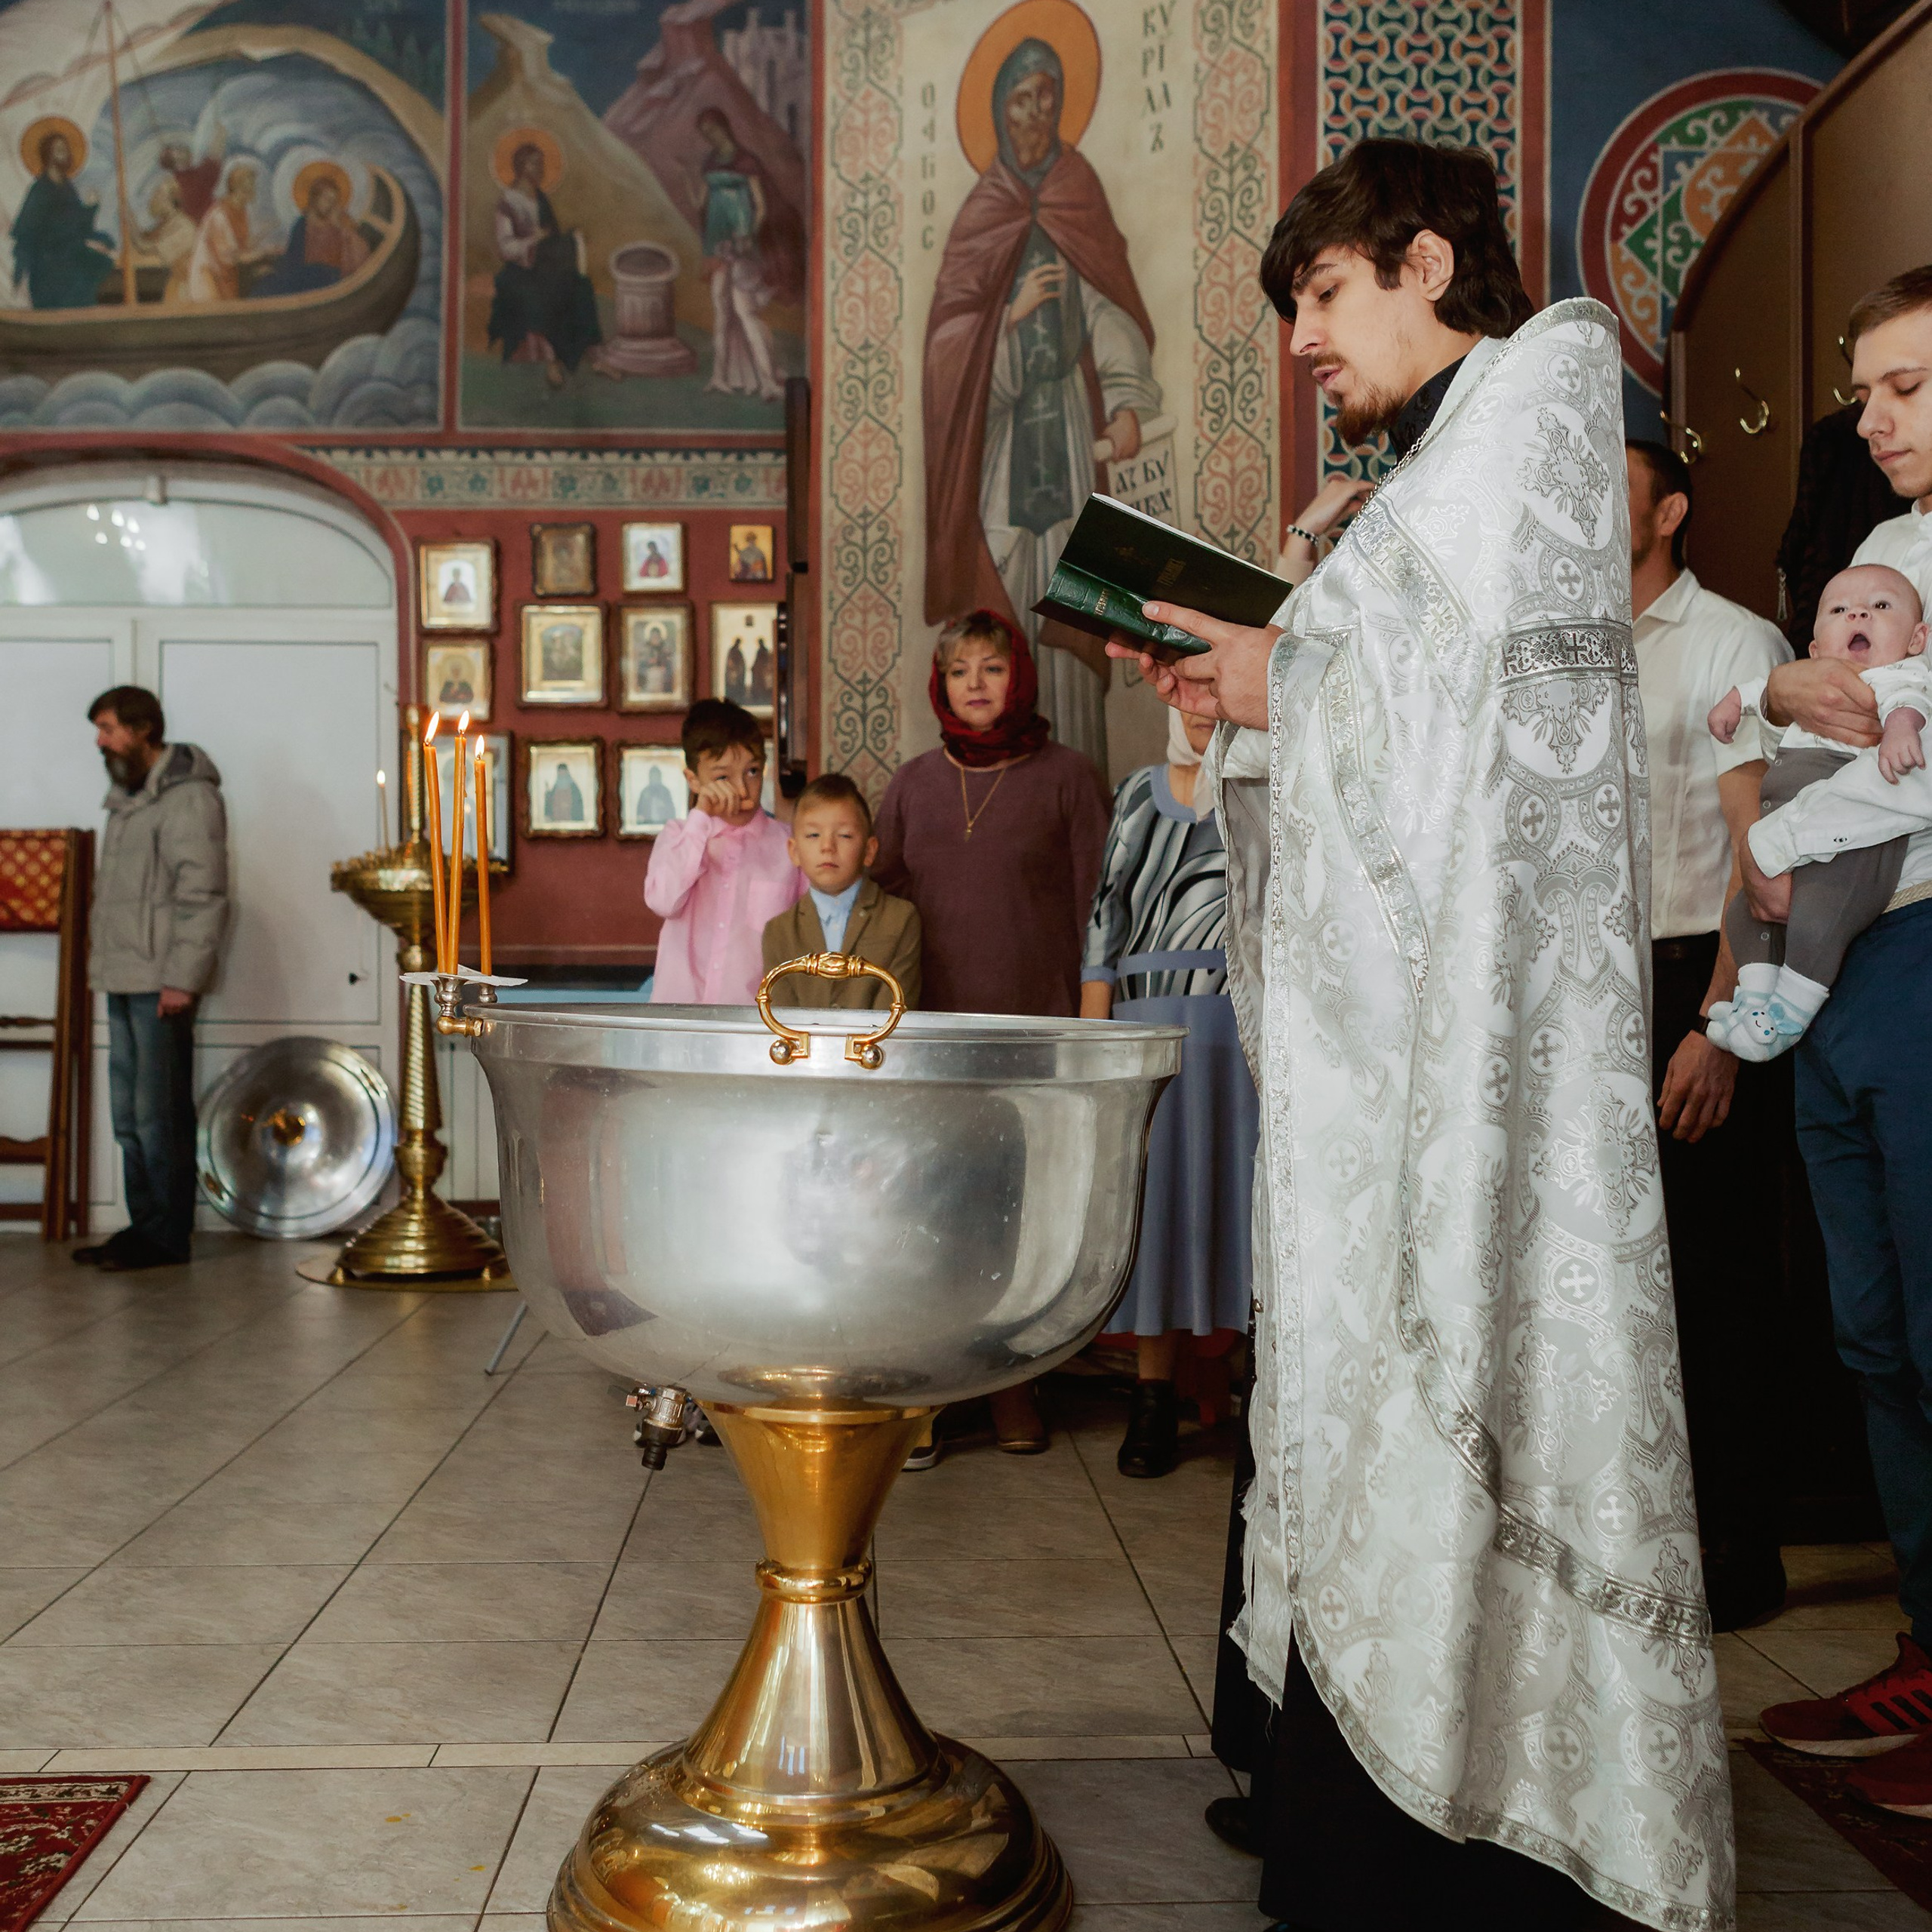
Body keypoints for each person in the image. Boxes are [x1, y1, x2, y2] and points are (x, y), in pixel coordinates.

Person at [1111, 139, 1730, 1930]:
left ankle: (1481, 1826)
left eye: (1319, 293)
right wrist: (1256, 687)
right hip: (1416, 1051)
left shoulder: (1528, 411)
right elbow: (1407, 707)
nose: (1301, 338)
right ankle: (1379, 1799)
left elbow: (1436, 705)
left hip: (1476, 1074)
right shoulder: (1450, 459)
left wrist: (1273, 673)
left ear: (1427, 258)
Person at [1741, 272, 1932, 1810]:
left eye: (1903, 388)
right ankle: (1924, 1645)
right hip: (1841, 956)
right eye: (1863, 387)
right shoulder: (1877, 549)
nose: (1865, 418)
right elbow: (1807, 733)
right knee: (1871, 1334)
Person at [1621, 437, 1795, 1634]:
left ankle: (1738, 1552)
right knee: (1617, 1282)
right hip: (1589, 989)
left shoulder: (1735, 641)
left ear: (1672, 508)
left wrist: (1720, 1026)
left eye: (1615, 490)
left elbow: (1766, 853)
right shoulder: (1571, 643)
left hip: (1701, 974)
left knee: (1716, 1284)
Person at [874, 609, 1110, 1453]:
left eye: (993, 669)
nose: (976, 684)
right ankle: (932, 1390)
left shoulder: (1067, 777)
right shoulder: (910, 785)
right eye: (960, 670)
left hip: (1032, 1031)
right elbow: (874, 907)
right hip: (929, 1036)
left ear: (1021, 679)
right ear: (940, 685)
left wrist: (1091, 1029)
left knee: (1020, 1216)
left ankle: (1016, 1383)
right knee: (930, 1210)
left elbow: (1100, 909)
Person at [923, 34, 1162, 771]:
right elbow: (945, 346)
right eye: (1020, 99)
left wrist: (1123, 402)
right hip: (996, 449)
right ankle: (1001, 792)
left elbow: (1104, 306)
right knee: (1004, 607)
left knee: (1071, 614)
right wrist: (1009, 318)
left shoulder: (1074, 189)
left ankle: (1077, 795)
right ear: (998, 111)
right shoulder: (982, 210)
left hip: (1064, 433)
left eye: (1046, 97)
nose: (1034, 112)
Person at [1081, 707, 1257, 1478]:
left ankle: (1263, 1396)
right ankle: (1151, 1399)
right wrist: (1095, 1045)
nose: (1194, 709)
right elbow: (1103, 923)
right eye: (1181, 692)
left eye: (1208, 692)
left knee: (1246, 1206)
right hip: (1145, 1027)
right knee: (1156, 1210)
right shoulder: (1133, 794)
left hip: (1240, 1031)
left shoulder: (1262, 792)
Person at [1709, 563, 1929, 1060]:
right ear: (1813, 651)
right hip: (1792, 833)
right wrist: (1734, 703)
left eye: (1880, 607)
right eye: (1839, 610)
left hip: (1849, 848)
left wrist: (1898, 731)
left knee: (1816, 920)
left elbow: (1907, 705)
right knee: (1744, 917)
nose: (1858, 612)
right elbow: (1758, 689)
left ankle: (1788, 1012)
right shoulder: (1808, 689)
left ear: (1918, 639)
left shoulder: (1899, 677)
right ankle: (1756, 1003)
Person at [76, 687, 228, 1272]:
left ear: (143, 730)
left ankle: (166, 1236)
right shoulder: (130, 798)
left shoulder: (188, 799)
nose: (101, 741)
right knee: (128, 1115)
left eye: (109, 728)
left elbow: (204, 895)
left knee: (157, 1113)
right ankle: (142, 1228)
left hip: (161, 983)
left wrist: (181, 980)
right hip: (125, 976)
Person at [645, 699, 801, 1005]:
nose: (742, 790)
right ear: (693, 780)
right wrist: (700, 819)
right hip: (676, 1018)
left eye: (752, 771)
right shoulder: (677, 836)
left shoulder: (791, 847)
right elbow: (664, 902)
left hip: (756, 1024)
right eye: (722, 777)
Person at [488, 139, 603, 389]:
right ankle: (554, 361)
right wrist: (533, 240)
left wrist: (569, 238)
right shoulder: (508, 202)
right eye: (535, 164)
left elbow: (552, 235)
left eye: (542, 164)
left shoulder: (541, 197)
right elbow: (506, 248)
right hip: (521, 270)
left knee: (581, 287)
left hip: (547, 264)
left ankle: (594, 356)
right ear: (521, 167)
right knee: (552, 290)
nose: (540, 170)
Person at [694, 108, 787, 403]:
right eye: (705, 134)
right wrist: (686, 180)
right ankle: (719, 377)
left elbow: (760, 206)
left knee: (746, 312)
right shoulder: (709, 163)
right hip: (716, 242)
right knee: (721, 314)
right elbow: (700, 202)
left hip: (741, 243)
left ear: (725, 126)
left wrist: (750, 234)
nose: (711, 137)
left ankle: (769, 381)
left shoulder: (746, 161)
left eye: (714, 130)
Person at [10, 128, 114, 310]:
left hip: (69, 253)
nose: (65, 154)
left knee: (105, 251)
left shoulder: (68, 188)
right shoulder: (40, 190)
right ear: (48, 155)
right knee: (88, 262)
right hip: (49, 263)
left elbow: (79, 227)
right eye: (59, 149)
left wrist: (91, 208)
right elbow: (27, 234)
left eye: (66, 149)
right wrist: (19, 272)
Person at [251, 168, 368, 297]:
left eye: (334, 201)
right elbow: (293, 259)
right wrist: (273, 269)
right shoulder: (302, 224)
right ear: (315, 198)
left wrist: (341, 228)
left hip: (330, 279)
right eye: (328, 199)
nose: (331, 205)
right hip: (305, 277)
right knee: (266, 284)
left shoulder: (341, 224)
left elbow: (361, 253)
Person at [186, 161, 271, 303]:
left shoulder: (241, 211)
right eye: (250, 186)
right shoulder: (220, 215)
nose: (254, 190)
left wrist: (262, 239)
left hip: (227, 277)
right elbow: (230, 257)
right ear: (239, 188)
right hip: (210, 279)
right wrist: (263, 253)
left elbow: (242, 246)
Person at [134, 178, 197, 305]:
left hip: (184, 290)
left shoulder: (184, 227)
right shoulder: (165, 225)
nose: (154, 200)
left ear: (171, 200)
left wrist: (132, 230)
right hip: (166, 284)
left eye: (158, 195)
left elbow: (150, 249)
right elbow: (146, 238)